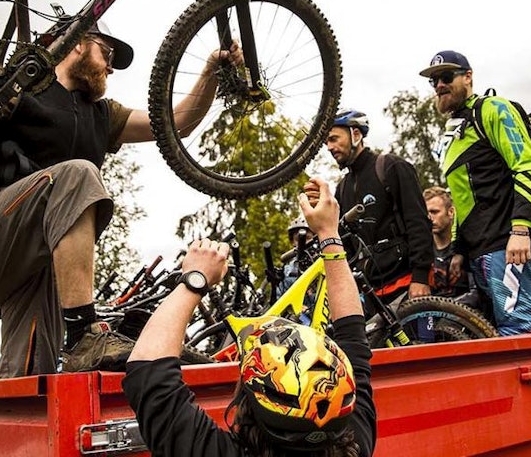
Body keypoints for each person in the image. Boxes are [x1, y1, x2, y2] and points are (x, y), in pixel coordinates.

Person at [0, 0, 242, 377]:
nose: (111, 68)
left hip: (35, 267)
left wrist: (212, 72)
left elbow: (176, 122)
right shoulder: (17, 86)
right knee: (79, 174)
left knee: (35, 376)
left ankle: (27, 416)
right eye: (107, 54)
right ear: (79, 44)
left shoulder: (102, 115)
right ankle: (84, 332)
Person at [124, 178, 377, 457]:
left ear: (246, 404)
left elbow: (353, 336)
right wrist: (329, 234)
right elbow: (148, 376)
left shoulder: (358, 440)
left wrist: (196, 278)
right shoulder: (354, 449)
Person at [421, 50, 531, 335]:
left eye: (446, 77)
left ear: (468, 77)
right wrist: (458, 251)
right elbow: (463, 199)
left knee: (520, 333)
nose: (439, 85)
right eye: (434, 81)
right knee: (491, 339)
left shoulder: (493, 109)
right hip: (480, 255)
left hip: (507, 247)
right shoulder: (455, 130)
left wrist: (521, 230)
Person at [327, 108, 433, 300]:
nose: (329, 146)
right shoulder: (342, 188)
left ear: (356, 135)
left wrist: (421, 276)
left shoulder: (391, 167)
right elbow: (345, 242)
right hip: (370, 291)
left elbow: (418, 221)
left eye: (334, 139)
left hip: (407, 281)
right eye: (327, 141)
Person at [423, 186, 480, 307]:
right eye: (426, 213)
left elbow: (477, 293)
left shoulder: (465, 249)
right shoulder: (422, 252)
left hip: (467, 317)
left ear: (451, 212)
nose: (429, 218)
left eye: (434, 212)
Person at [280, 214, 316, 293]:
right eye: (298, 239)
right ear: (293, 242)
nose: (303, 243)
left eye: (307, 238)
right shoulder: (287, 272)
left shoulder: (327, 264)